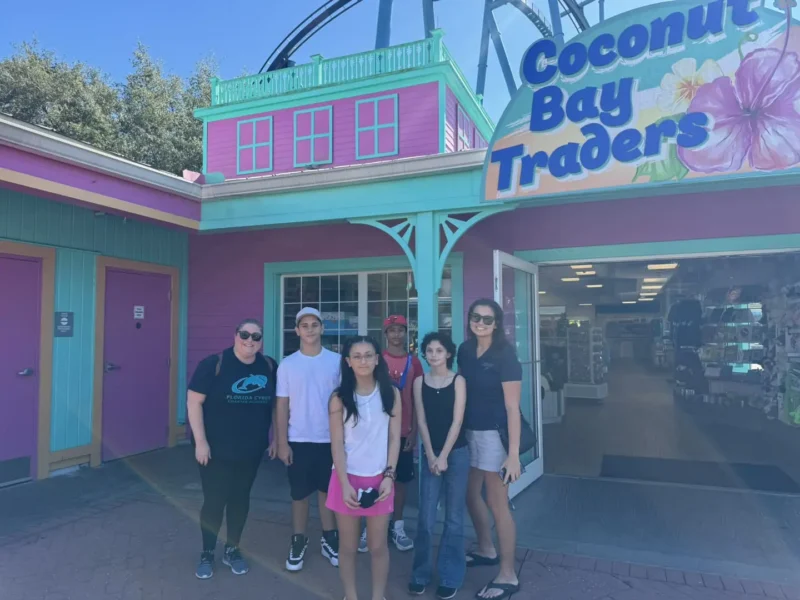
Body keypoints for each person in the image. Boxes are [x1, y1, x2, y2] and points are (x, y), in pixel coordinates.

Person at [186, 318, 277, 580]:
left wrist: (276, 439)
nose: (250, 341)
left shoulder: (269, 366)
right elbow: (194, 403)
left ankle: (232, 549)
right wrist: (201, 442)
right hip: (215, 450)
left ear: (261, 340)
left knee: (240, 499)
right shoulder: (214, 364)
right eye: (244, 334)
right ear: (235, 335)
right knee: (215, 501)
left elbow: (277, 405)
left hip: (251, 450)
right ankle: (207, 552)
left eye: (256, 336)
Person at [327, 336, 401, 600]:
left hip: (380, 480)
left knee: (377, 546)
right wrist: (344, 483)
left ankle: (378, 596)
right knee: (347, 547)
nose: (363, 361)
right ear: (348, 361)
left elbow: (394, 438)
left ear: (377, 359)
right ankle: (351, 595)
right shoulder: (339, 398)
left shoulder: (391, 393)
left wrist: (389, 476)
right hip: (346, 480)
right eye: (356, 356)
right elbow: (337, 444)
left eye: (368, 355)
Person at [457, 299, 523, 600]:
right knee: (470, 494)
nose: (480, 323)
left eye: (487, 319)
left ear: (496, 324)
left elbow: (512, 408)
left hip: (494, 436)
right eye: (476, 317)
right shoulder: (465, 350)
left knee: (498, 503)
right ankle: (486, 548)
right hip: (468, 432)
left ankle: (508, 575)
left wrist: (513, 454)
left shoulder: (505, 356)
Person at [275, 307, 341, 572]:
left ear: (322, 328)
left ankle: (329, 538)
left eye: (315, 324)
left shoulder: (336, 361)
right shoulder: (288, 364)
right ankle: (298, 539)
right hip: (298, 439)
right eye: (305, 325)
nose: (310, 329)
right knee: (299, 494)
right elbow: (282, 405)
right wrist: (282, 442)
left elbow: (345, 401)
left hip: (330, 439)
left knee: (327, 492)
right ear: (297, 331)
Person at [408, 332, 468, 600]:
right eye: (429, 351)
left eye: (439, 351)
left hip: (456, 454)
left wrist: (443, 456)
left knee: (454, 518)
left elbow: (457, 421)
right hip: (430, 453)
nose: (433, 355)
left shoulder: (458, 381)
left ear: (448, 354)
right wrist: (431, 455)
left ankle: (450, 575)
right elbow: (421, 420)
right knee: (425, 517)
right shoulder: (419, 382)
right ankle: (419, 573)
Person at [358, 314, 422, 553]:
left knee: (400, 480)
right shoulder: (377, 360)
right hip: (377, 431)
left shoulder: (414, 363)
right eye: (392, 330)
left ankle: (397, 525)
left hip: (403, 431)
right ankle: (371, 526)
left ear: (406, 333)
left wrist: (414, 431)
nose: (396, 334)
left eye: (400, 329)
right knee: (374, 478)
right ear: (385, 334)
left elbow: (417, 399)